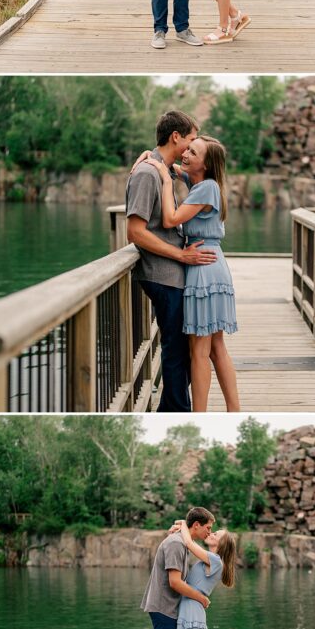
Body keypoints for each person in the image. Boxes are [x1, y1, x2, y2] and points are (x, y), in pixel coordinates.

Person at [126, 110, 217, 412]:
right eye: (191, 139)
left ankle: (169, 409)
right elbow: (135, 232)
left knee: (181, 352)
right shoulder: (147, 173)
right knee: (177, 353)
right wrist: (181, 254)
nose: (193, 145)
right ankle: (176, 412)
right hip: (162, 275)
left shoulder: (160, 168)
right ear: (176, 137)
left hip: (175, 274)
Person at [143, 134, 240, 412]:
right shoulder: (199, 182)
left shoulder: (206, 187)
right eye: (188, 149)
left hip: (203, 267)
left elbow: (171, 218)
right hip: (211, 263)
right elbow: (168, 163)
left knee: (200, 350)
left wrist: (163, 179)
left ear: (206, 165)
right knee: (216, 346)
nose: (185, 154)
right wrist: (148, 158)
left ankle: (199, 415)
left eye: (193, 153)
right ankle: (234, 410)